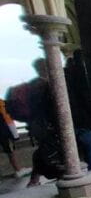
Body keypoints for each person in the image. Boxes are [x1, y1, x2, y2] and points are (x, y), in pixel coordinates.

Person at [25, 59, 64, 187]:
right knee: (52, 152)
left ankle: (34, 179)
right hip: (46, 125)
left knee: (44, 151)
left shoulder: (32, 85)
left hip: (37, 125)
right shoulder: (46, 85)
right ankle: (60, 177)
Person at [65, 50, 91, 170]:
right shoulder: (83, 76)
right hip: (86, 120)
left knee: (81, 149)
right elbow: (88, 99)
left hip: (69, 120)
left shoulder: (65, 75)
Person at [0, 98, 31, 178]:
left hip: (6, 127)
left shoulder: (3, 102)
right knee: (10, 150)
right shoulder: (2, 102)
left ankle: (18, 169)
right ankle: (18, 170)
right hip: (5, 129)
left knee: (10, 150)